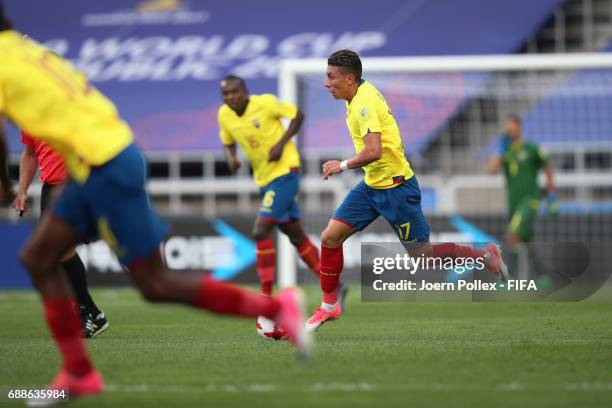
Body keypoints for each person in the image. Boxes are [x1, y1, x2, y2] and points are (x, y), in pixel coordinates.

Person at [0, 9, 310, 403]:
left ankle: (278, 307)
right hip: (106, 158)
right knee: (49, 259)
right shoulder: (31, 52)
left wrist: (5, 184)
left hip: (102, 166)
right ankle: (78, 369)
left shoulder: (6, 61)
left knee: (150, 282)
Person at [305, 50, 509, 332]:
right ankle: (329, 306)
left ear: (350, 79)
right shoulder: (355, 97)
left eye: (331, 77)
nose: (326, 83)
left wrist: (340, 165)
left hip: (397, 189)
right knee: (329, 238)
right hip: (372, 185)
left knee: (422, 256)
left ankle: (484, 255)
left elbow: (374, 151)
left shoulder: (364, 103)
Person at [218, 76, 345, 338]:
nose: (231, 97)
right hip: (264, 179)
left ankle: (265, 301)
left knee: (260, 230)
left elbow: (298, 115)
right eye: (226, 94)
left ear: (245, 92)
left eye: (234, 92)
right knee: (295, 235)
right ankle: (335, 285)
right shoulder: (224, 115)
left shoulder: (265, 103)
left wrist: (280, 144)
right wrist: (231, 157)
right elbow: (228, 139)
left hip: (286, 172)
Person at [13, 131, 109, 338]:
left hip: (78, 184)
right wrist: (22, 191)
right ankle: (90, 312)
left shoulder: (68, 105)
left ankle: (87, 312)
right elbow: (30, 154)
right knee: (56, 252)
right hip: (51, 189)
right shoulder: (30, 118)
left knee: (58, 249)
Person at [488, 114, 556, 246]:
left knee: (512, 234)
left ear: (520, 128)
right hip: (513, 202)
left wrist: (551, 195)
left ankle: (511, 267)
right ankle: (535, 266)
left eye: (513, 129)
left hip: (530, 200)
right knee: (526, 239)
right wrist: (500, 150)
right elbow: (492, 170)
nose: (511, 132)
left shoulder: (531, 149)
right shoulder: (505, 151)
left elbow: (548, 170)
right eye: (508, 130)